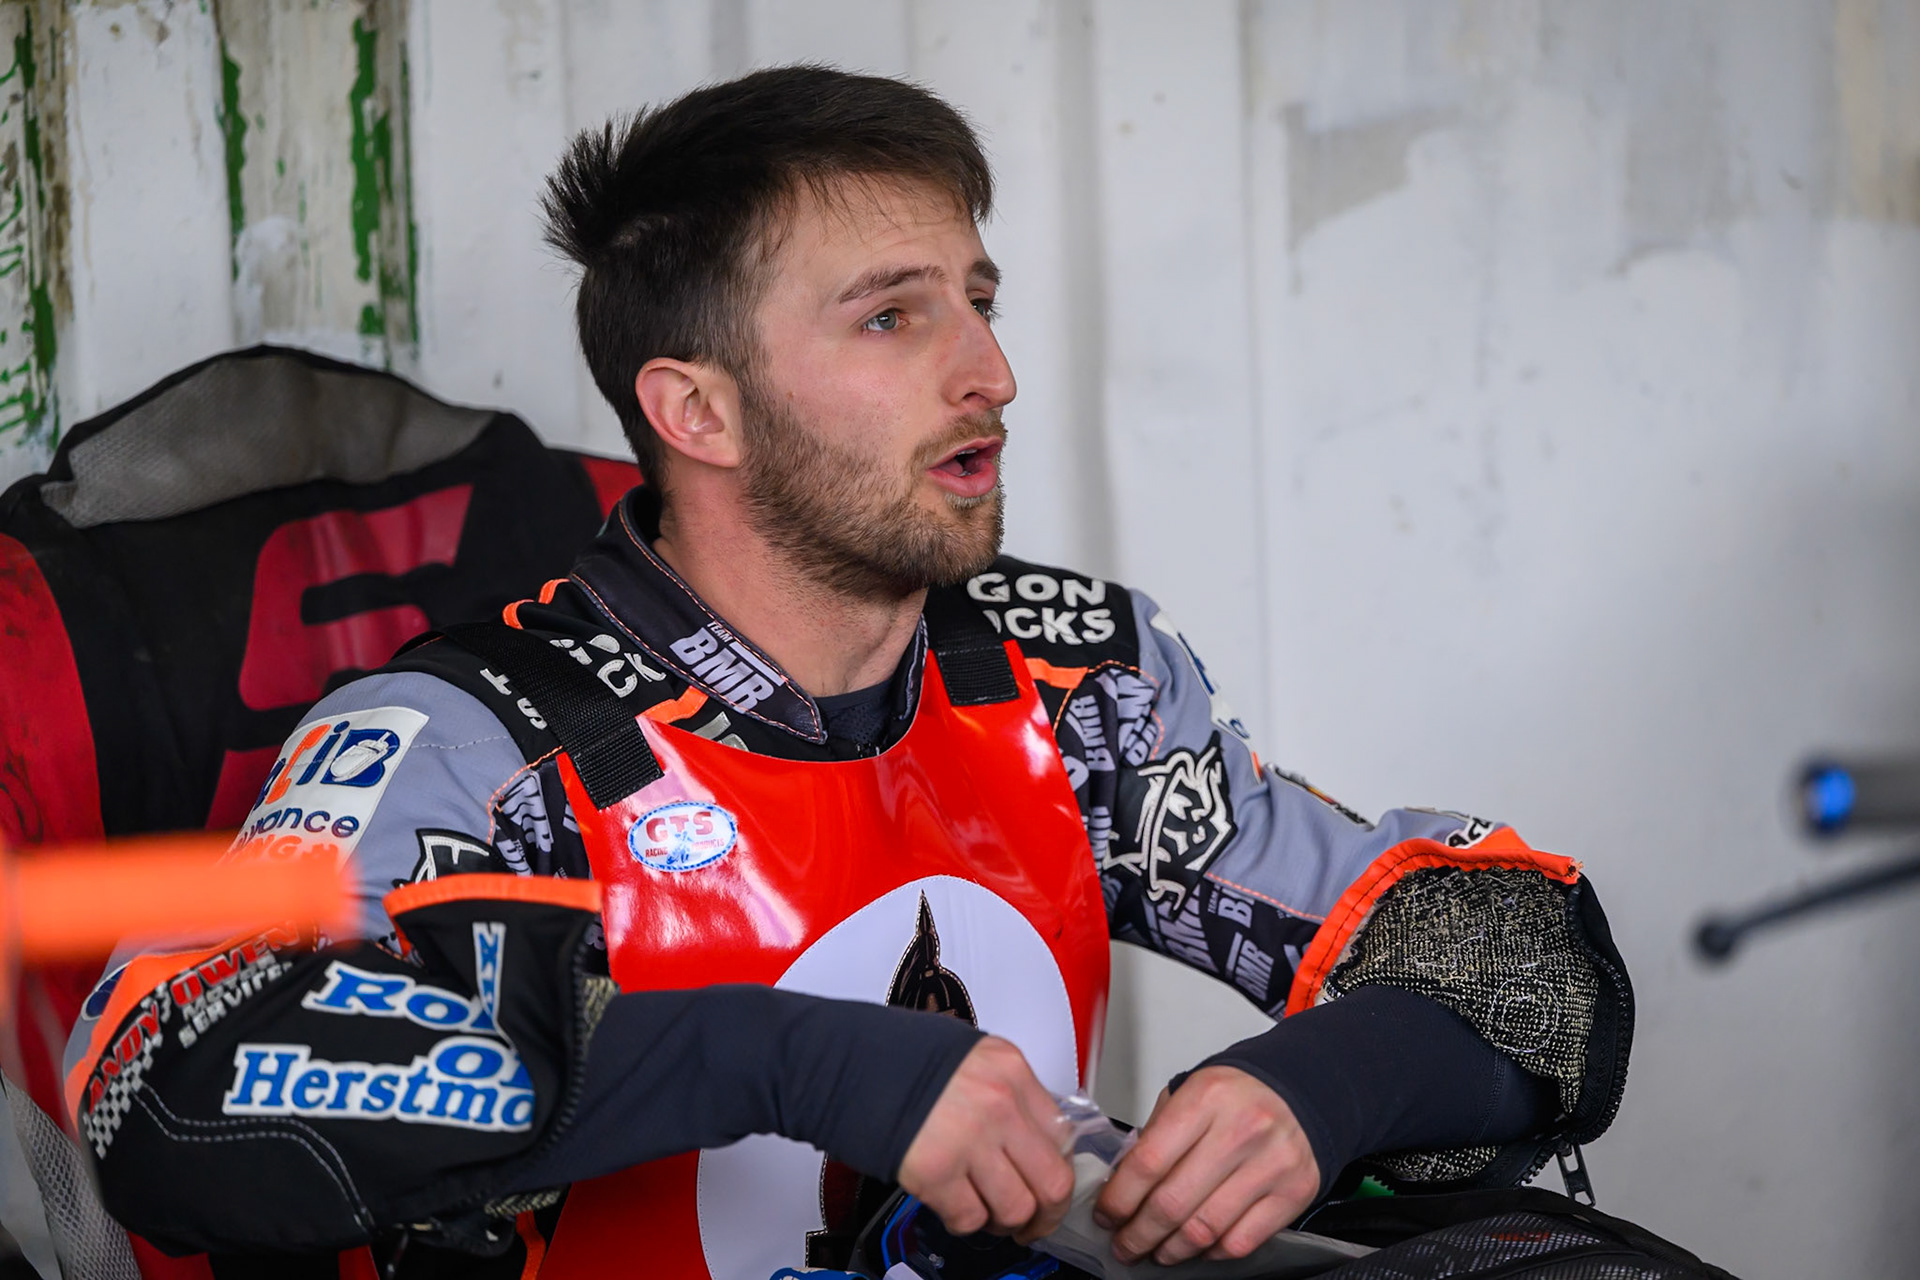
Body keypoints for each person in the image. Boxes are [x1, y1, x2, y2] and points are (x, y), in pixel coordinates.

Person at [64, 66, 1630, 1280]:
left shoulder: (1067, 677)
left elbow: (1521, 964)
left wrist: (1323, 1087)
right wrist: (798, 1057)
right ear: (700, 411)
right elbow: (169, 1077)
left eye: (980, 303)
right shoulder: (484, 738)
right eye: (892, 316)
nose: (991, 376)